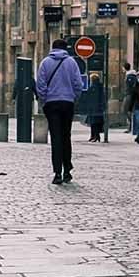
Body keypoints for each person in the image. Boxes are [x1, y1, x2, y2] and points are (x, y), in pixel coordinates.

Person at [36, 38, 86, 184]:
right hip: (67, 103)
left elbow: (41, 84)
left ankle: (57, 172)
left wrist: (44, 100)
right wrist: (74, 97)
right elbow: (78, 83)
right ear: (65, 49)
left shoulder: (45, 63)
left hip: (51, 104)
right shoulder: (71, 62)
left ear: (52, 48)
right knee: (66, 136)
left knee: (56, 138)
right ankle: (67, 171)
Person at [86, 72, 105, 142]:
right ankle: (93, 135)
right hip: (93, 108)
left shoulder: (97, 87)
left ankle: (96, 136)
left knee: (95, 123)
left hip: (96, 108)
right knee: (93, 123)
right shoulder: (94, 87)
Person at [123, 62, 138, 134]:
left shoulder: (130, 76)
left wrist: (130, 94)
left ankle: (131, 125)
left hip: (129, 95)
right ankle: (130, 126)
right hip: (129, 94)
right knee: (129, 110)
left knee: (125, 110)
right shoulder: (129, 75)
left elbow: (131, 87)